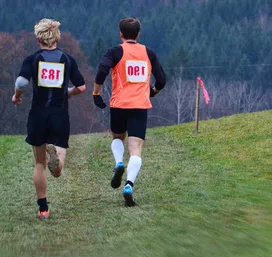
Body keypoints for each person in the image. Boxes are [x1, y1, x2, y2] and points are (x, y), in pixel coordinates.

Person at [12, 18, 86, 219]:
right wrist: (69, 92)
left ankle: (43, 208)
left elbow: (21, 82)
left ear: (39, 39)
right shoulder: (67, 59)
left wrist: (16, 96)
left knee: (38, 164)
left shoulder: (33, 59)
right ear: (57, 37)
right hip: (59, 113)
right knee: (57, 167)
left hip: (38, 114)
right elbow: (81, 87)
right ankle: (58, 162)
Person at [92, 17, 166, 207]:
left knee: (117, 137)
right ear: (138, 34)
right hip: (139, 106)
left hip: (119, 104)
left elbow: (102, 70)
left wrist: (96, 92)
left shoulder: (115, 51)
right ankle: (129, 185)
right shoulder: (148, 53)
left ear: (121, 34)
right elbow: (162, 80)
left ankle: (118, 163)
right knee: (136, 149)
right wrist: (152, 92)